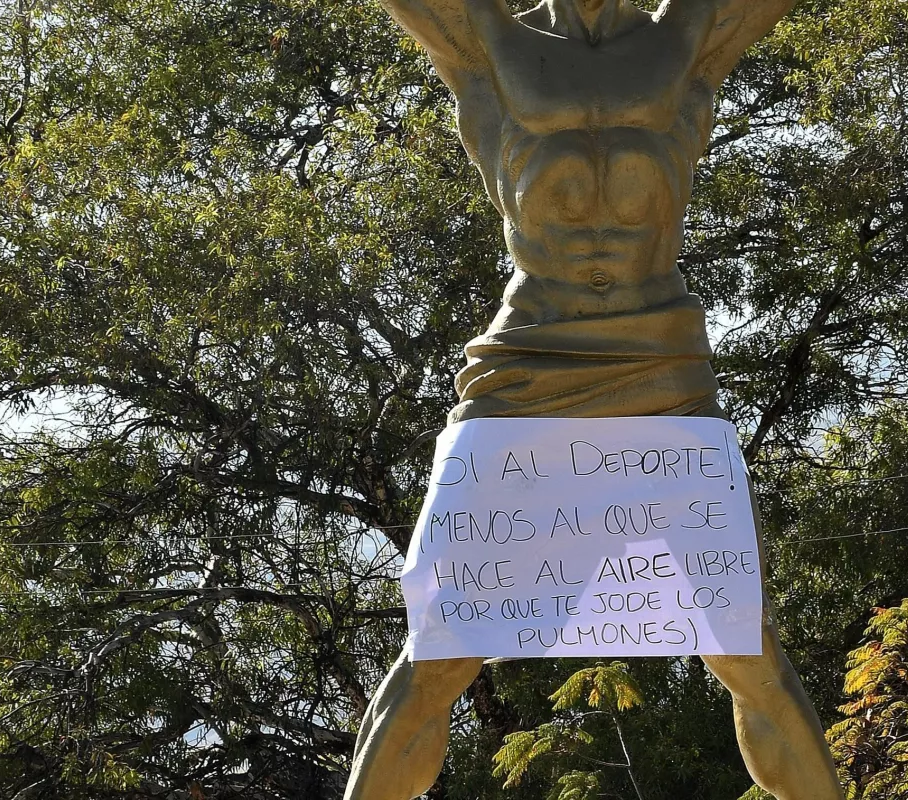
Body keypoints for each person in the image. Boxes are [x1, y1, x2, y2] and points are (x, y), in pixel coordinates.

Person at [344, 2, 845, 798]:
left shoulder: (686, 32)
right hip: (530, 353)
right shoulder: (489, 36)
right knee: (440, 650)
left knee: (745, 646)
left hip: (662, 354)